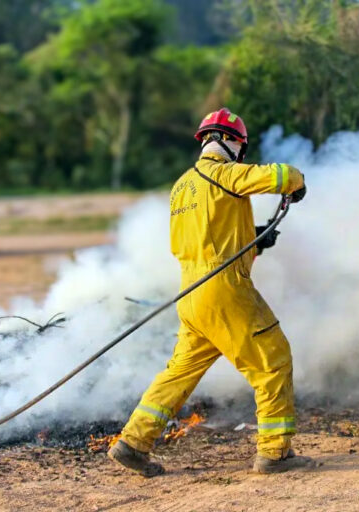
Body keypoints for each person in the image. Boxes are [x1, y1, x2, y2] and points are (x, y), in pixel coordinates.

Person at [108, 108, 311, 477]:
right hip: (225, 290)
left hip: (191, 292)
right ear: (233, 142)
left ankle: (132, 443)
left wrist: (256, 239)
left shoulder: (182, 186)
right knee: (273, 359)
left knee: (180, 372)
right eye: (240, 145)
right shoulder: (223, 173)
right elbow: (285, 175)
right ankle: (275, 454)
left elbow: (210, 236)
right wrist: (296, 183)